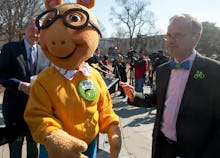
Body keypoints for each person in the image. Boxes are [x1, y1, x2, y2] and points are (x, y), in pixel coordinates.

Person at [120, 13, 220, 158]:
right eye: (168, 35)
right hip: (162, 148)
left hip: (194, 152)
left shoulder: (214, 71)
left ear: (196, 38)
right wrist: (134, 96)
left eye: (177, 35)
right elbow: (156, 98)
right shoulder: (163, 70)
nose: (170, 41)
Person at [0, 19, 50, 158]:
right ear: (24, 30)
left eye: (38, 32)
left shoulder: (46, 53)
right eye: (32, 30)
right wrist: (20, 85)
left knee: (33, 149)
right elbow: (2, 74)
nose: (35, 34)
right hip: (14, 110)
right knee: (15, 150)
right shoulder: (9, 49)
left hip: (36, 111)